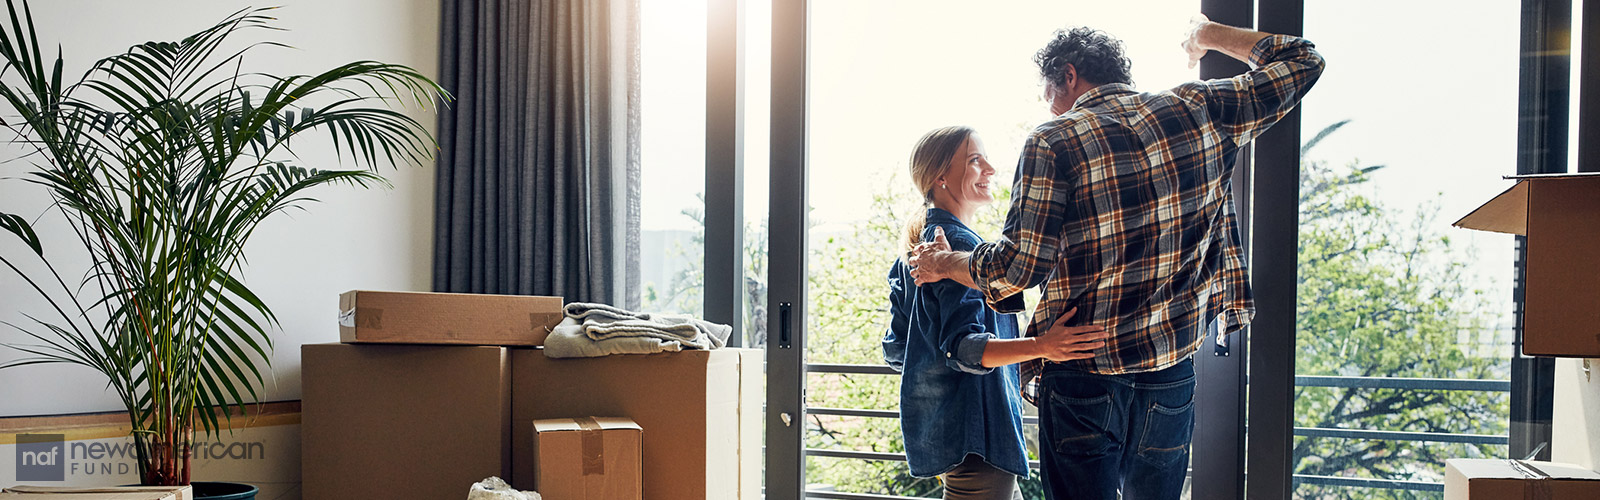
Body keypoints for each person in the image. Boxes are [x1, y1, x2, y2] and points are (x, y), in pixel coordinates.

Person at [908, 18, 1325, 500]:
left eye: (1049, 92)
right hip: (1169, 371)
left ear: (1067, 75)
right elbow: (1302, 59)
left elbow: (1018, 269)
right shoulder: (1200, 107)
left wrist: (946, 264)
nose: (1050, 105)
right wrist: (1208, 35)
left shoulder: (1053, 140)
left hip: (1083, 371)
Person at [884, 126, 1110, 500]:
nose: (990, 168)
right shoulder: (955, 249)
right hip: (979, 441)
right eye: (975, 160)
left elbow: (897, 351)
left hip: (957, 441)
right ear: (940, 177)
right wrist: (1043, 346)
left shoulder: (919, 247)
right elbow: (964, 349)